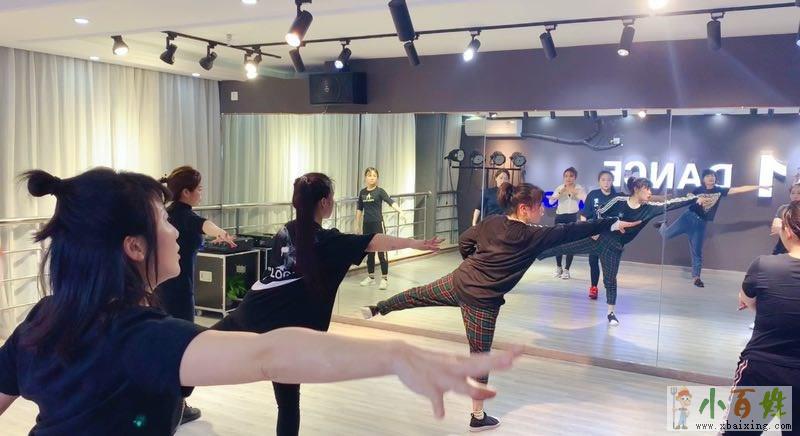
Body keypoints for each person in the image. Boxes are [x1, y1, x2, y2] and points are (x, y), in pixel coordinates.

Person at [0, 168, 521, 435]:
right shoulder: (142, 340)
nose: (176, 232)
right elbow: (271, 353)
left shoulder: (42, 319)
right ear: (133, 247)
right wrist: (395, 355)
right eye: (163, 222)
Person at [360, 182, 640, 432]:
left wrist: (474, 262)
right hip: (482, 303)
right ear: (524, 208)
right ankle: (477, 417)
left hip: (460, 280)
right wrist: (611, 223)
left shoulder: (492, 221)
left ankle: (377, 308)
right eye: (539, 207)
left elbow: (465, 240)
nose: (543, 211)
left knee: (417, 295)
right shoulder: (532, 236)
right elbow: (570, 231)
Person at [212, 172, 451, 436]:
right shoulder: (327, 241)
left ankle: (180, 392)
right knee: (288, 404)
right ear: (324, 202)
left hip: (250, 313)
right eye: (333, 197)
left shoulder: (284, 231)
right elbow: (372, 241)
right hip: (286, 334)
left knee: (193, 350)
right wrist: (414, 243)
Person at [537, 177, 711, 326]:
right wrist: (596, 229)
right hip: (598, 238)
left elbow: (671, 204)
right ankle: (536, 253)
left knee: (610, 280)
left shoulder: (649, 208)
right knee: (565, 246)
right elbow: (600, 212)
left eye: (650, 189)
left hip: (614, 247)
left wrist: (695, 199)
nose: (650, 192)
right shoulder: (619, 201)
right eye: (647, 189)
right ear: (636, 189)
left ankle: (611, 313)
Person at [155, 166, 236, 424]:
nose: (201, 193)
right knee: (181, 348)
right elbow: (204, 225)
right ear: (186, 193)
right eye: (198, 189)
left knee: (163, 345)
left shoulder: (164, 214)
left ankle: (165, 402)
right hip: (179, 292)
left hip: (159, 289)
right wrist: (221, 233)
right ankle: (177, 406)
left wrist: (212, 237)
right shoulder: (186, 216)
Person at [724, 201, 800, 436]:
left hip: (761, 368)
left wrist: (767, 307)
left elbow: (746, 299)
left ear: (788, 231)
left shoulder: (764, 265)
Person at [656, 169, 759, 288]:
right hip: (688, 218)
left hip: (701, 224)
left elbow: (739, 189)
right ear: (703, 179)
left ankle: (696, 278)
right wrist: (697, 199)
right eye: (708, 176)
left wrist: (758, 187)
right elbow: (688, 199)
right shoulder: (698, 190)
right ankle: (662, 224)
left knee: (697, 252)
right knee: (666, 235)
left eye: (713, 176)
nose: (711, 178)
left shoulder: (719, 190)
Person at [356, 167, 406, 290]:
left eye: (374, 176)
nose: (372, 178)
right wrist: (357, 224)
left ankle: (384, 278)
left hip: (378, 224)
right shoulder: (362, 192)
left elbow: (390, 202)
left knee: (381, 252)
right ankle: (371, 277)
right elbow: (359, 209)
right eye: (369, 175)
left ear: (377, 178)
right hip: (367, 225)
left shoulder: (380, 191)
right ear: (365, 178)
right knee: (369, 252)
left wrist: (401, 211)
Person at [580, 170, 625, 300]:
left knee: (610, 264)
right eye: (603, 179)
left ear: (612, 181)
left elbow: (621, 217)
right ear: (599, 181)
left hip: (611, 236)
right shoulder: (593, 195)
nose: (606, 182)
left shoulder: (617, 197)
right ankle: (593, 287)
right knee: (593, 261)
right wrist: (588, 231)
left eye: (609, 179)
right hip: (594, 235)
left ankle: (610, 289)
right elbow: (584, 215)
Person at [550, 167, 587, 279]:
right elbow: (551, 201)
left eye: (571, 176)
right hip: (559, 217)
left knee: (571, 245)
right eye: (566, 176)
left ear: (575, 177)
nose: (568, 178)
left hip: (572, 217)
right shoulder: (560, 187)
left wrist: (575, 193)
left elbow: (585, 200)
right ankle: (558, 267)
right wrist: (560, 193)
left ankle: (566, 270)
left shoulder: (579, 188)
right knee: (557, 244)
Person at [770, 183, 800, 256]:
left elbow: (780, 228)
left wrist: (785, 227)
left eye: (799, 193)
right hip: (782, 250)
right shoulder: (783, 208)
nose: (795, 196)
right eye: (792, 193)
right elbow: (775, 228)